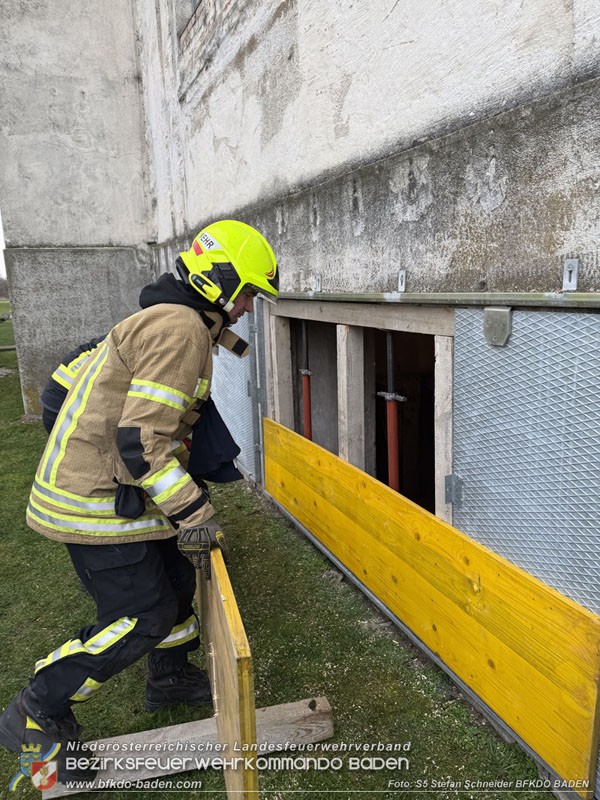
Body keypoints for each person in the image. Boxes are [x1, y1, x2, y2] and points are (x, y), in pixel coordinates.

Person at [0, 220, 279, 783]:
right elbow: (141, 440)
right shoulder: (179, 330)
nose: (250, 308)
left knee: (176, 587)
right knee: (141, 615)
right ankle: (37, 708)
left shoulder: (181, 321)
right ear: (220, 284)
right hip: (93, 503)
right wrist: (195, 512)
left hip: (116, 490)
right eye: (248, 293)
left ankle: (168, 680)